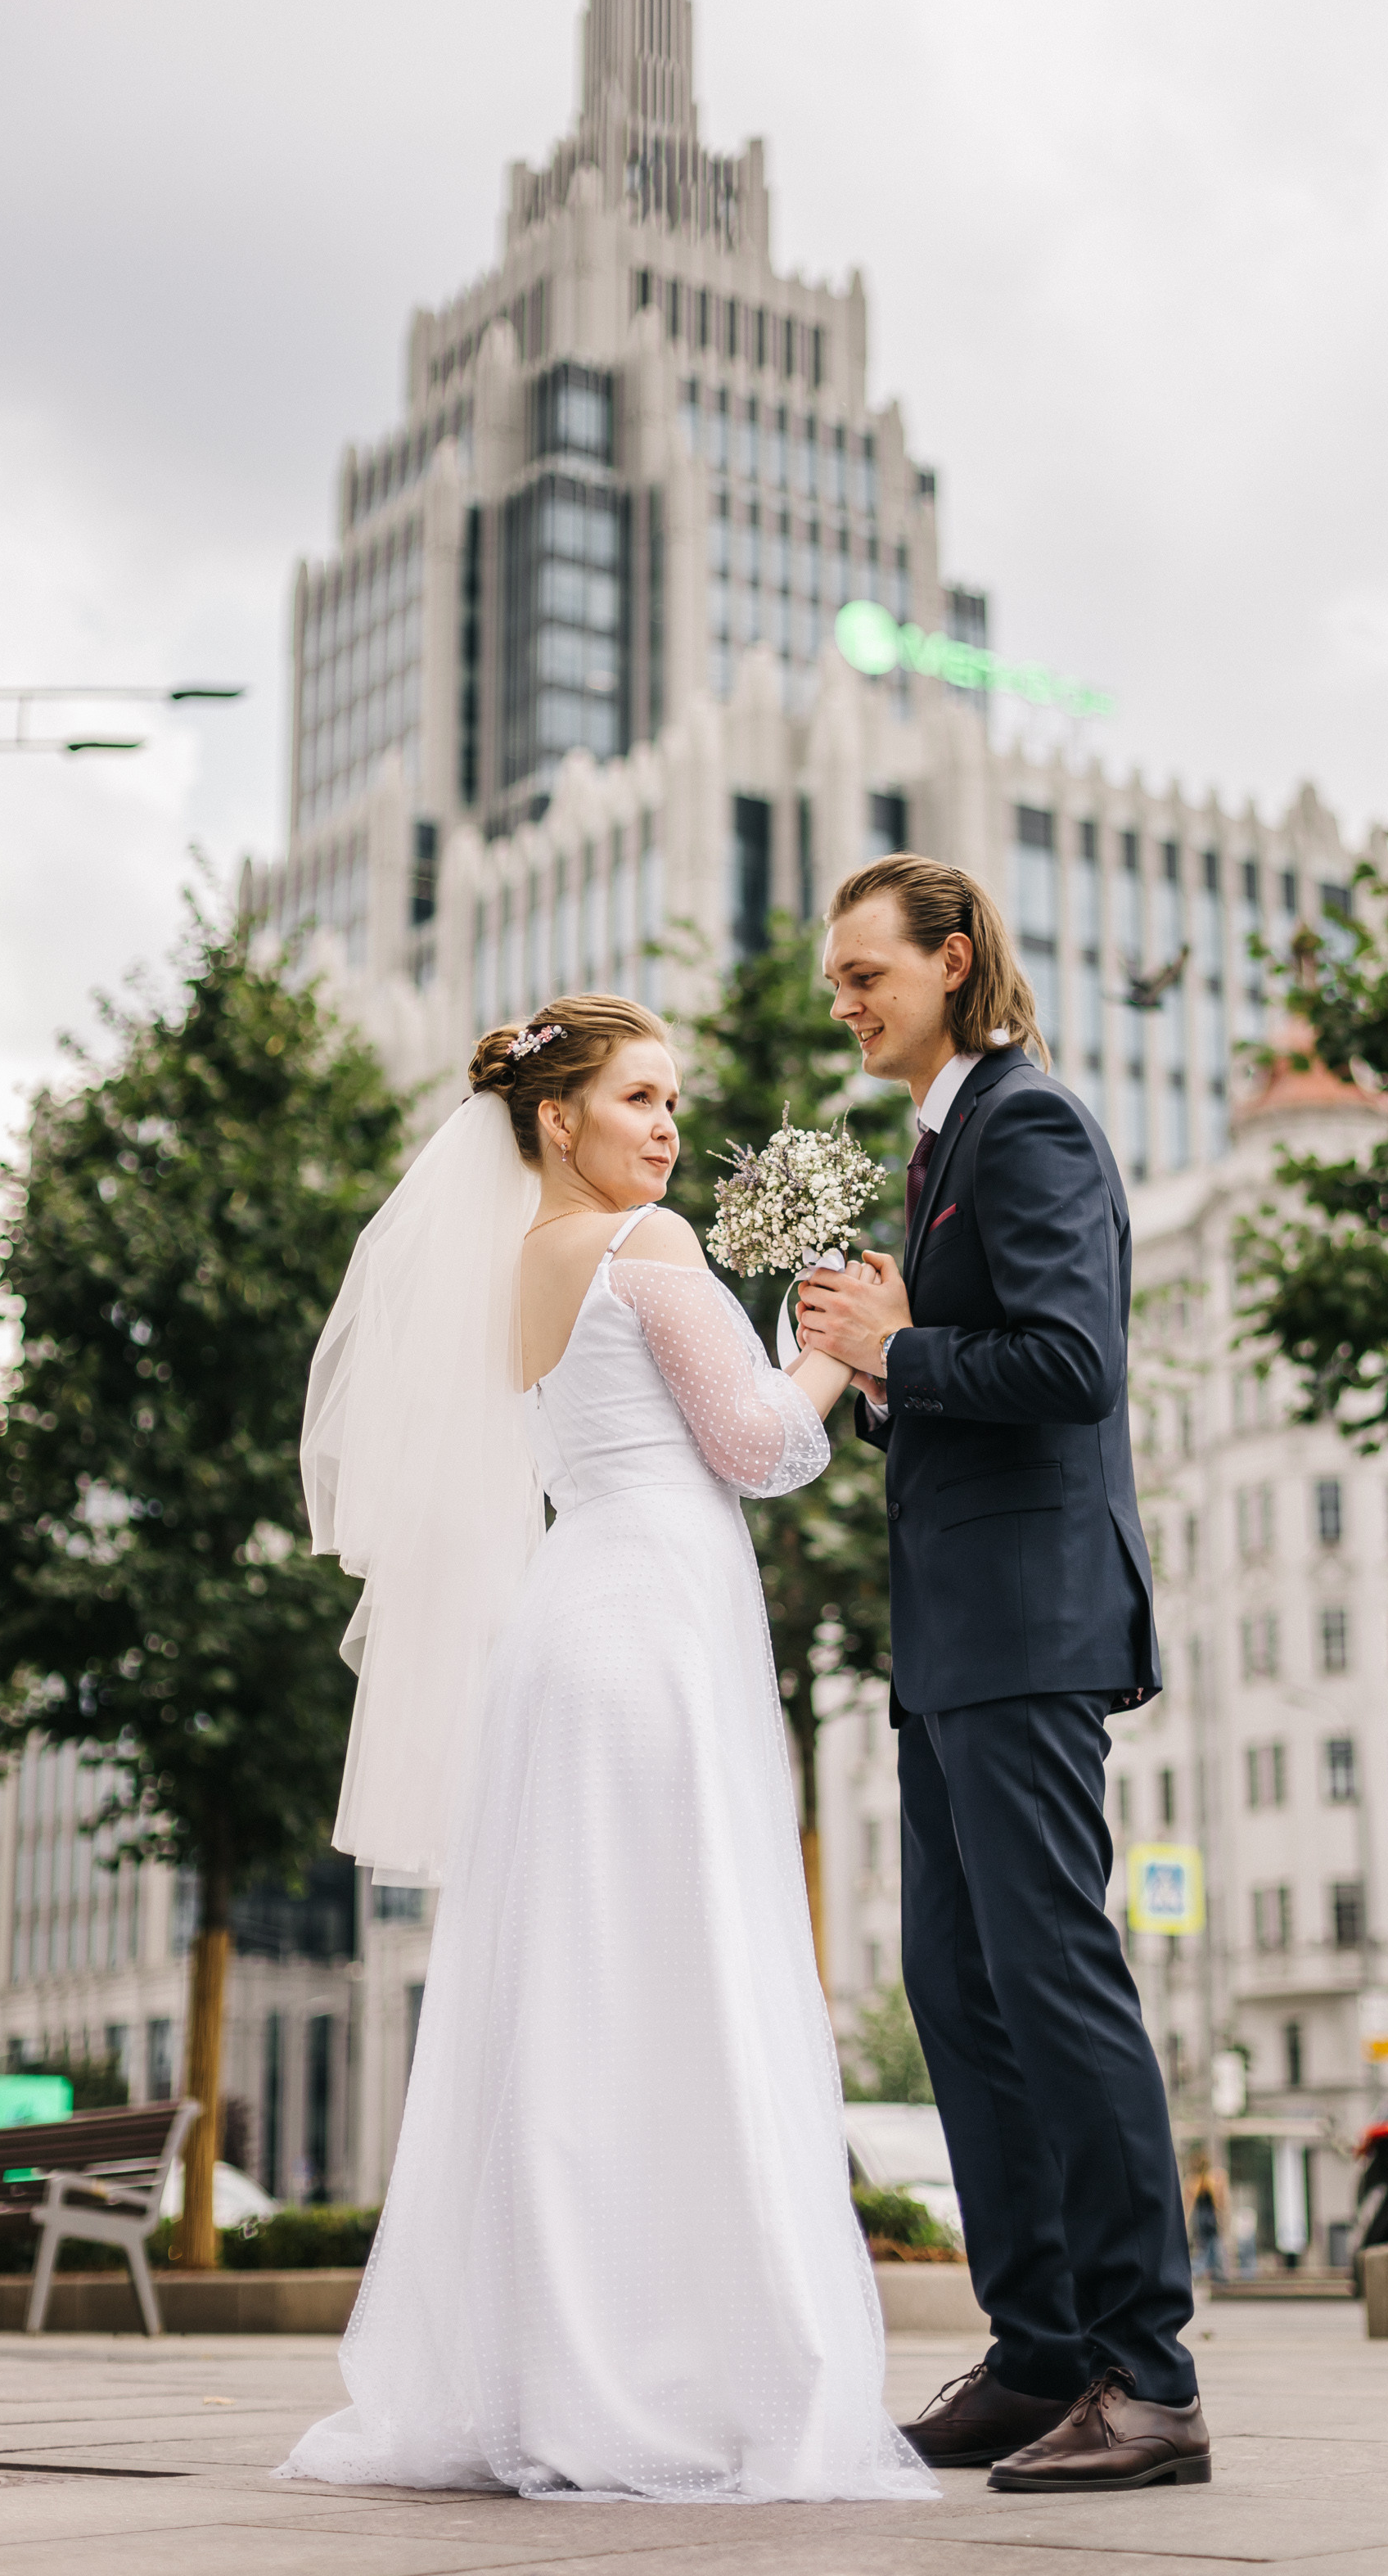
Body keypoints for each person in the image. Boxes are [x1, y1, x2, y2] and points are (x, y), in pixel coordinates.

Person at [279, 997, 934, 2506]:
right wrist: (839, 1339)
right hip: (649, 1639)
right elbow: (761, 1447)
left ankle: (548, 2364)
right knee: (675, 1984)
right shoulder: (647, 1249)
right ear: (553, 1119)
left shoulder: (516, 1268)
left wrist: (783, 1347)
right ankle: (671, 2372)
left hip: (569, 1636)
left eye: (672, 1100)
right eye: (637, 1098)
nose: (666, 1126)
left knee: (570, 2005)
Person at [795, 857, 1209, 2496]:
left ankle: (1149, 2379)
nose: (843, 998)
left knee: (1051, 1980)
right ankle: (1039, 2350)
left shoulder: (1025, 1123)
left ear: (952, 960)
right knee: (957, 1996)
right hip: (951, 1639)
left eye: (863, 970)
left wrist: (887, 1349)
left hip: (1028, 1627)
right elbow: (978, 1379)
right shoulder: (939, 1145)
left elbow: (1071, 1361)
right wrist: (893, 1365)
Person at [1184, 2154, 1230, 2284]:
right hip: (1205, 2217)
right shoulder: (1199, 2181)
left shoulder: (1208, 2180)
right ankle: (1209, 2272)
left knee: (1210, 2246)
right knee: (1209, 2246)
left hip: (1206, 2217)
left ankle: (1215, 2272)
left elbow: (1219, 2200)